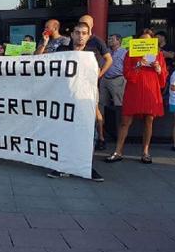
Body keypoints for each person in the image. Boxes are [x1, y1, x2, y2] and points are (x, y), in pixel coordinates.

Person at [48, 22, 104, 182]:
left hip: (85, 99)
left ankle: (87, 166)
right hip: (65, 99)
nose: (80, 36)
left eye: (84, 33)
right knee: (64, 133)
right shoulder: (62, 51)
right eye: (77, 32)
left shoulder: (93, 54)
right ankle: (63, 166)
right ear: (72, 34)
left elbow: (96, 74)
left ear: (88, 35)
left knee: (87, 133)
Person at [105, 29, 167, 164]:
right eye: (142, 40)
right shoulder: (130, 53)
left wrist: (158, 69)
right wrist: (139, 64)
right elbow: (126, 73)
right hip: (134, 89)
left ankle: (145, 152)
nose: (145, 42)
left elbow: (163, 77)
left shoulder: (158, 54)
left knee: (149, 121)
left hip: (151, 88)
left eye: (148, 40)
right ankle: (118, 151)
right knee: (125, 121)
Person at [78, 15, 113, 150]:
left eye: (86, 24)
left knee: (95, 109)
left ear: (91, 26)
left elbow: (109, 59)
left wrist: (99, 74)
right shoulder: (75, 39)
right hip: (78, 81)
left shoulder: (97, 41)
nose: (83, 26)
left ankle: (101, 137)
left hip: (91, 82)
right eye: (81, 23)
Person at [98, 34, 127, 150]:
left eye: (112, 39)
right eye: (109, 38)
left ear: (119, 41)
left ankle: (119, 135)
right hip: (105, 79)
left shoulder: (124, 52)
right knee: (100, 105)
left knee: (119, 107)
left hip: (118, 79)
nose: (109, 41)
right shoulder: (107, 51)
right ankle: (101, 134)